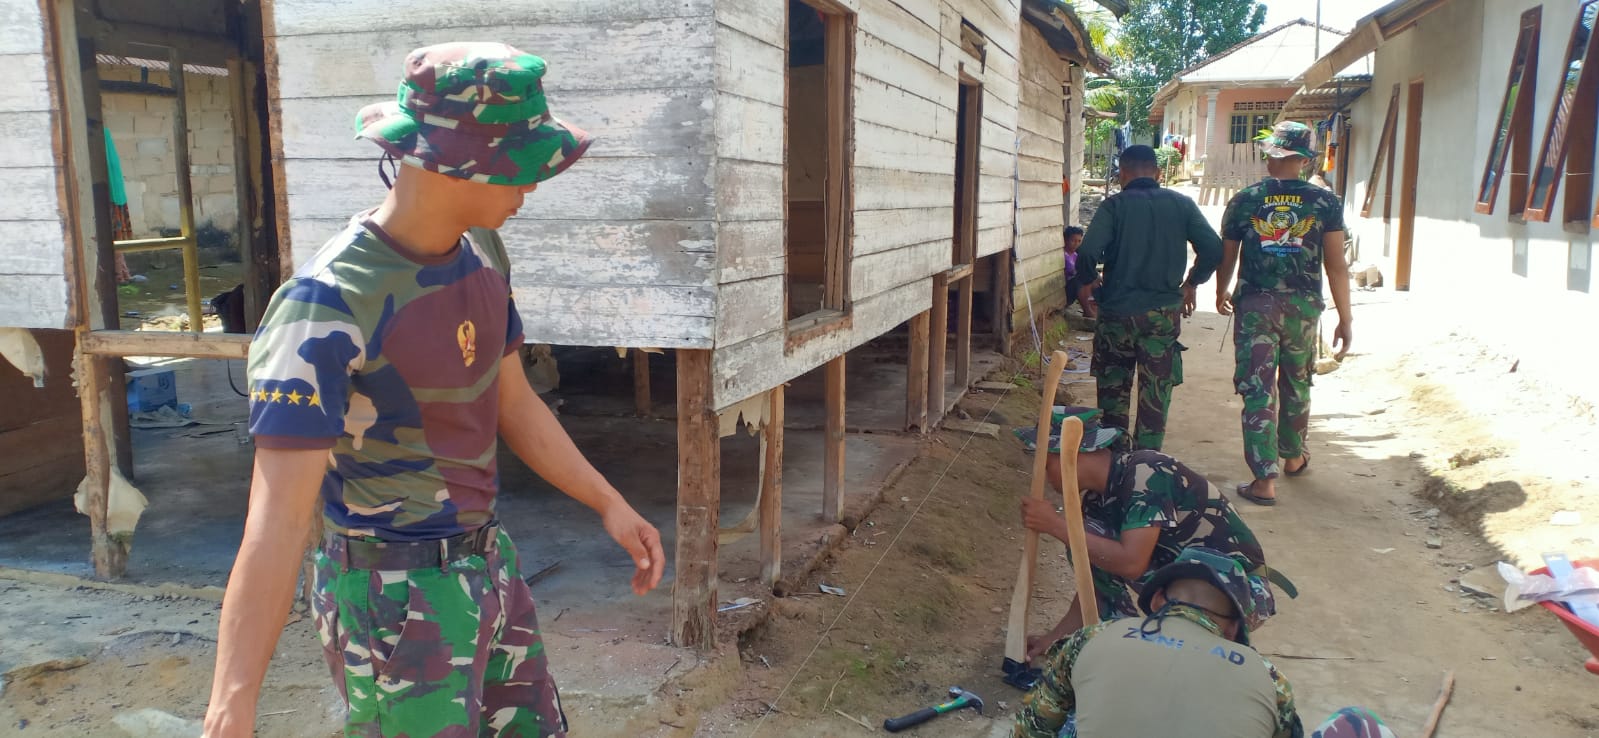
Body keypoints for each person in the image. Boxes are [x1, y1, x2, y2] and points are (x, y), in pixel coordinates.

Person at [201, 43, 664, 738]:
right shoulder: (325, 307)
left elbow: (512, 401)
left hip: (487, 566)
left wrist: (608, 502)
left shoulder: (483, 250)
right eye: (520, 168)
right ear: (455, 167)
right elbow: (277, 523)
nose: (531, 186)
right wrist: (232, 700)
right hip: (392, 597)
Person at [1017, 423, 1287, 660]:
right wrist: (1053, 639)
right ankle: (1126, 648)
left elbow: (1132, 563)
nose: (1042, 472)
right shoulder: (1097, 501)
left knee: (1083, 539)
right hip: (1189, 587)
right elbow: (1095, 586)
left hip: (1240, 594)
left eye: (1046, 462)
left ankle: (1197, 660)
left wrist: (1055, 525)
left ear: (1071, 454)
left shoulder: (1147, 472)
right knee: (1088, 542)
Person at [1011, 546, 1303, 738]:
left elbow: (1031, 730)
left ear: (1159, 600)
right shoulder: (1269, 678)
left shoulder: (1092, 638)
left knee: (1077, 714)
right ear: (1233, 629)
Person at [1216, 122, 1353, 506]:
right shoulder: (1326, 203)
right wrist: (1346, 317)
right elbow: (1336, 265)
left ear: (1270, 155)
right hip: (1303, 309)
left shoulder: (1247, 199)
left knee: (1258, 388)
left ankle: (1264, 479)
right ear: (1305, 160)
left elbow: (1228, 255)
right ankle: (1293, 457)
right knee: (1297, 380)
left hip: (1257, 307)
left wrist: (1220, 288)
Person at [1076, 145, 1222, 451]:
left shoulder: (1114, 207)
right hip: (1161, 318)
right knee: (1155, 392)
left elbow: (1087, 251)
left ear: (1122, 175)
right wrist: (1192, 282)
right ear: (1158, 174)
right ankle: (1145, 466)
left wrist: (1091, 282)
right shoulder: (1182, 205)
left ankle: (1114, 464)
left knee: (1113, 394)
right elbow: (1213, 249)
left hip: (1116, 315)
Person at [1061, 226, 1097, 318]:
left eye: (1079, 241)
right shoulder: (1063, 255)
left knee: (1093, 281)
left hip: (1076, 290)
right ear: (1065, 240)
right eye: (1073, 240)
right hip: (1067, 291)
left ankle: (1094, 309)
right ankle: (1088, 310)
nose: (1076, 244)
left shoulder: (1076, 255)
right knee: (1079, 281)